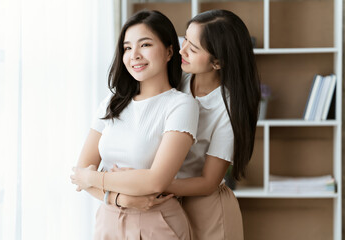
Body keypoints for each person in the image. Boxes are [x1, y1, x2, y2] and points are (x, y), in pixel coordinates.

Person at [74, 9, 261, 240]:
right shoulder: (178, 78)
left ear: (218, 62)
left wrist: (147, 182)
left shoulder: (227, 106)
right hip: (159, 201)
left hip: (203, 205)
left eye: (193, 49)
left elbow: (208, 181)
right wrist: (129, 190)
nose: (182, 50)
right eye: (185, 41)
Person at [70, 10, 199, 240]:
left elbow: (156, 180)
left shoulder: (181, 105)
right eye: (127, 48)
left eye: (145, 44)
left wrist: (94, 178)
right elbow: (80, 171)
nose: (134, 55)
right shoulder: (111, 104)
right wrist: (121, 198)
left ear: (170, 51)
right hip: (108, 220)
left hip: (157, 222)